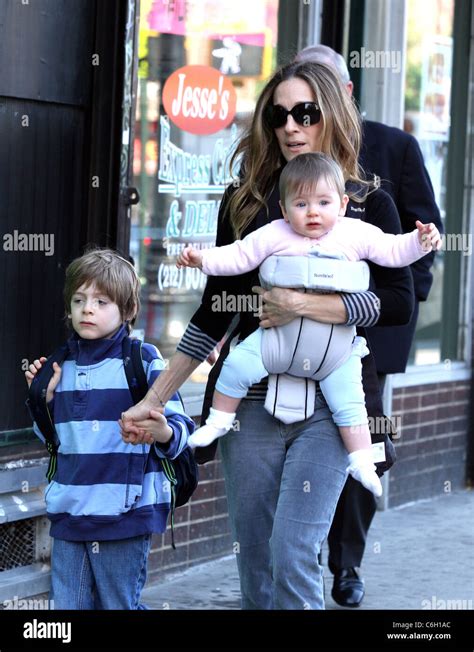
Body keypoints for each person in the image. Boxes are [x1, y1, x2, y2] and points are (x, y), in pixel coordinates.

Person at [121, 60, 415, 610]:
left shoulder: (368, 203)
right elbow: (214, 314)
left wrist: (307, 304)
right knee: (254, 555)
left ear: (332, 116)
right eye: (278, 114)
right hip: (250, 400)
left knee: (294, 549)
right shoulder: (247, 204)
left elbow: (398, 303)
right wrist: (154, 399)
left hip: (333, 402)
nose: (290, 126)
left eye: (305, 113)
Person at [176, 152, 441, 500]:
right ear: (285, 210)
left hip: (336, 351)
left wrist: (419, 242)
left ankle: (361, 461)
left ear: (343, 204)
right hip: (276, 342)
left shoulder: (356, 233)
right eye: (301, 204)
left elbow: (392, 250)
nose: (313, 212)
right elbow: (238, 255)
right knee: (236, 364)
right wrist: (202, 259)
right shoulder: (275, 234)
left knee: (351, 405)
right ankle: (217, 421)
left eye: (323, 202)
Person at [295, 45, 443, 608]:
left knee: (366, 440)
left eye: (324, 89)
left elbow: (424, 232)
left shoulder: (392, 147)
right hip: (291, 334)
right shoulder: (287, 147)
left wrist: (398, 310)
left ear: (347, 92)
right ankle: (299, 555)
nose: (308, 110)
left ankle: (347, 564)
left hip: (369, 332)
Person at [25, 248, 194, 610]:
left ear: (127, 310)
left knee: (118, 605)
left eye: (102, 301)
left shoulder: (142, 359)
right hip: (70, 512)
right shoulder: (58, 366)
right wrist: (44, 400)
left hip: (125, 514)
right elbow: (52, 441)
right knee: (68, 609)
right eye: (79, 299)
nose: (88, 309)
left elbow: (180, 431)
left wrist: (161, 430)